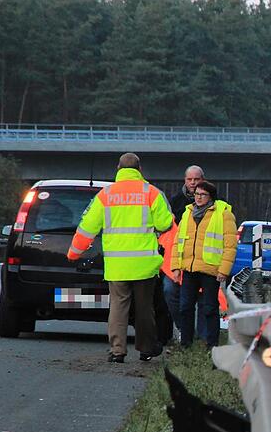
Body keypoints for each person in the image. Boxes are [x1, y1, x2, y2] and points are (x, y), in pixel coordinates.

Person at [67, 152, 173, 363]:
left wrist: (74, 252)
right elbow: (164, 225)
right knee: (144, 308)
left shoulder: (105, 195)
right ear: (139, 170)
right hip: (144, 263)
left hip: (117, 264)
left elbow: (87, 227)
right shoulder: (151, 193)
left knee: (118, 307)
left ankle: (117, 351)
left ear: (118, 169)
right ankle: (146, 349)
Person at [172, 179, 236, 348]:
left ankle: (211, 344)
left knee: (209, 308)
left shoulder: (223, 214)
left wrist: (223, 270)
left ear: (211, 197)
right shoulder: (188, 213)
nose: (198, 198)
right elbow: (178, 241)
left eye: (202, 195)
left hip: (210, 270)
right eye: (196, 194)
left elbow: (230, 245)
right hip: (190, 268)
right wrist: (176, 266)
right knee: (185, 307)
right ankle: (186, 344)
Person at [161, 165, 205, 340]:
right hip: (177, 260)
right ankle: (184, 330)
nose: (193, 183)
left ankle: (203, 340)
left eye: (196, 179)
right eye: (190, 179)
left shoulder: (216, 203)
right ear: (185, 180)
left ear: (203, 180)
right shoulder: (175, 202)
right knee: (169, 291)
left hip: (203, 261)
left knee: (204, 301)